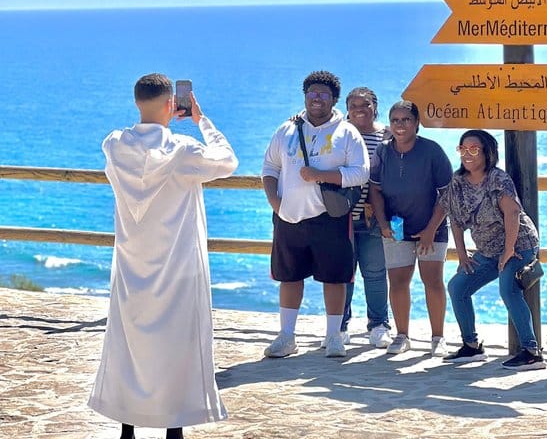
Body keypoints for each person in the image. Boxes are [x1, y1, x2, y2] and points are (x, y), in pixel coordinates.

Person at [88, 73, 237, 439]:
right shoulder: (183, 152)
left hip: (131, 263)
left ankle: (127, 428)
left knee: (129, 345)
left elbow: (123, 142)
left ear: (136, 102)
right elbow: (228, 161)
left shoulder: (114, 145)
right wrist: (201, 120)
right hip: (178, 266)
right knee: (176, 346)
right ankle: (174, 429)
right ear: (173, 104)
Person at [262, 70, 369, 359]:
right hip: (289, 216)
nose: (317, 98)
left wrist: (322, 175)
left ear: (334, 99)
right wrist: (275, 202)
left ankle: (334, 336)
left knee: (334, 278)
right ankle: (286, 336)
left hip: (330, 216)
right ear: (305, 96)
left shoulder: (347, 133)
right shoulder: (286, 130)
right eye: (312, 92)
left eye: (324, 93)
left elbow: (361, 173)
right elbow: (270, 167)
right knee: (289, 276)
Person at [440, 130, 546, 369]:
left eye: (473, 149)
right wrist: (462, 254)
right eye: (462, 149)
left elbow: (513, 212)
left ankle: (532, 352)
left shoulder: (498, 179)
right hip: (487, 251)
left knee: (508, 289)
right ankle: (471, 346)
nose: (467, 154)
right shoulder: (457, 181)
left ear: (487, 152)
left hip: (518, 245)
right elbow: (454, 219)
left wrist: (508, 250)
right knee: (458, 286)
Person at [368, 100, 452, 356]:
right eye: (395, 120)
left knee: (432, 281)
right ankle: (402, 336)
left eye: (406, 120)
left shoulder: (432, 150)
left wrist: (430, 230)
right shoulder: (382, 151)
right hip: (396, 229)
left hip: (432, 228)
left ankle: (438, 338)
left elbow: (447, 194)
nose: (400, 125)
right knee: (398, 282)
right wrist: (383, 224)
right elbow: (375, 190)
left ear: (417, 123)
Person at [340, 87, 393, 348]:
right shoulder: (338, 133)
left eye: (365, 105)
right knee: (342, 274)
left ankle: (379, 325)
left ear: (375, 107)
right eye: (354, 105)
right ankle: (339, 326)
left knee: (375, 273)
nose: (359, 110)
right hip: (341, 217)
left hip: (374, 217)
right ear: (347, 109)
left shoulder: (387, 136)